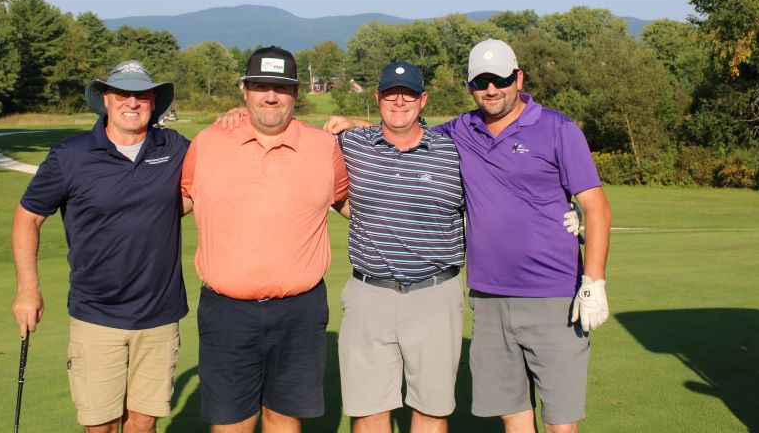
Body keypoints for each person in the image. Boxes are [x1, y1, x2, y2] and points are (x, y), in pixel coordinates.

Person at [326, 39, 610, 433]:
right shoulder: (462, 131)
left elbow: (597, 206)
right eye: (481, 82)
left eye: (500, 80)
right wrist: (352, 124)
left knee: (559, 418)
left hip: (550, 292)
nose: (491, 89)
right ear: (470, 86)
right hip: (487, 297)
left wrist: (593, 281)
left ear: (518, 78)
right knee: (512, 412)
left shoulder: (553, 128)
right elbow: (400, 132)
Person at [11, 60, 190, 433]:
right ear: (105, 99)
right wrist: (28, 289)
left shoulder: (174, 147)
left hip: (159, 315)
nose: (132, 102)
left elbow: (211, 175)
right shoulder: (70, 155)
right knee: (100, 426)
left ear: (153, 102)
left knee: (144, 424)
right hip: (97, 314)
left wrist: (237, 118)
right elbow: (28, 217)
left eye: (141, 95)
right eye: (122, 93)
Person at [181, 46, 349, 433]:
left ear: (295, 93)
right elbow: (177, 202)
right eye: (260, 86)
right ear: (245, 90)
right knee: (231, 422)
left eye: (281, 87)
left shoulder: (324, 147)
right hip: (226, 311)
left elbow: (348, 203)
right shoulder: (208, 143)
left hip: (300, 311)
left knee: (283, 418)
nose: (270, 97)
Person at [335, 61, 466, 433]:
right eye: (391, 94)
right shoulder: (351, 143)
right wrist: (239, 115)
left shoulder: (452, 151)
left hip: (435, 293)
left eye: (408, 94)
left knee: (431, 410)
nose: (399, 102)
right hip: (369, 293)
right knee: (369, 411)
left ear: (423, 100)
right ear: (378, 98)